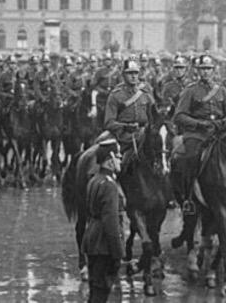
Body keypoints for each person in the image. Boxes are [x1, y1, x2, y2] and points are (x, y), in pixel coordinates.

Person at [172, 55, 226, 214]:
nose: (206, 72)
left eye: (208, 69)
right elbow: (179, 116)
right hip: (197, 134)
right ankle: (189, 198)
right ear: (197, 71)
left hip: (219, 133)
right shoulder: (190, 90)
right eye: (202, 69)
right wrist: (199, 123)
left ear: (213, 70)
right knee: (190, 158)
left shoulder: (221, 90)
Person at [81, 136, 125, 303]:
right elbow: (111, 223)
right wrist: (118, 253)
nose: (120, 159)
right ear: (110, 160)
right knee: (100, 294)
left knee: (95, 292)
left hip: (92, 241)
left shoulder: (94, 180)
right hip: (104, 245)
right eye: (118, 157)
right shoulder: (109, 185)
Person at [104, 59, 155, 175]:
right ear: (123, 75)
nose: (133, 76)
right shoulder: (115, 95)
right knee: (116, 165)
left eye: (135, 73)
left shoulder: (145, 95)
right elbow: (108, 122)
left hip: (143, 135)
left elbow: (152, 119)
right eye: (129, 73)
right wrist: (126, 126)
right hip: (123, 136)